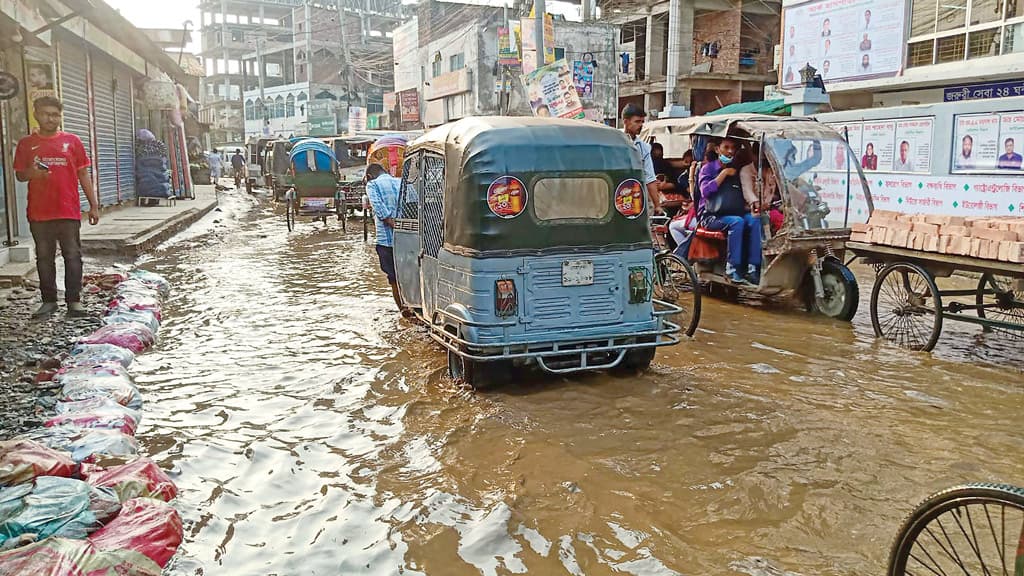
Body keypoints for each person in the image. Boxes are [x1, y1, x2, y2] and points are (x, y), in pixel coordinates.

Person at [13, 96, 99, 318]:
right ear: (36, 115)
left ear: (60, 116)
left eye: (55, 114)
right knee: (44, 257)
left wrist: (94, 205)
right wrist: (33, 173)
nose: (51, 118)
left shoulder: (72, 142)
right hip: (39, 213)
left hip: (68, 210)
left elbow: (83, 173)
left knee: (72, 256)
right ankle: (49, 302)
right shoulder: (25, 144)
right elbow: (20, 175)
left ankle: (74, 302)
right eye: (46, 114)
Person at [698, 137, 762, 285]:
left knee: (755, 219)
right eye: (726, 147)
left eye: (733, 148)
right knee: (737, 222)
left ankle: (753, 268)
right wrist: (724, 173)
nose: (730, 151)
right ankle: (732, 269)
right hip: (712, 216)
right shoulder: (708, 169)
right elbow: (705, 192)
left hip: (735, 213)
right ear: (717, 149)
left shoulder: (738, 169)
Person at [365, 163, 408, 316]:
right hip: (407, 239)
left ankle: (403, 311)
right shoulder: (401, 181)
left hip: (387, 241)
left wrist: (392, 223)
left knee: (393, 278)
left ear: (369, 176)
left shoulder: (372, 185)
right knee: (408, 273)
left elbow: (379, 208)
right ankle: (412, 306)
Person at [621, 104, 660, 213]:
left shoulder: (644, 148)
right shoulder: (614, 143)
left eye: (642, 122)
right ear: (626, 122)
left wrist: (657, 205)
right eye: (637, 122)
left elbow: (650, 178)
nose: (641, 125)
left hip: (637, 198)